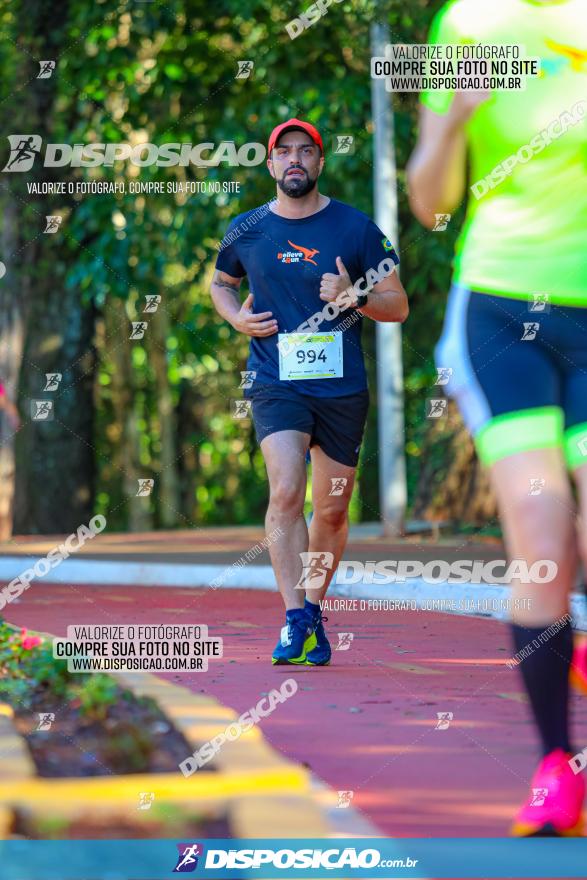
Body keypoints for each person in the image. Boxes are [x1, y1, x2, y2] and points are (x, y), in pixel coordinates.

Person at [407, 0, 587, 836]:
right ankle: (555, 767)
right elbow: (429, 202)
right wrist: (451, 124)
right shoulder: (470, 23)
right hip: (504, 311)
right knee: (543, 537)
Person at [211, 118, 408, 666]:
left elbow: (398, 304)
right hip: (276, 382)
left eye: (306, 151)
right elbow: (220, 283)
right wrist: (234, 319)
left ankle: (315, 610)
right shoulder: (245, 229)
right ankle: (295, 617)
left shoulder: (356, 228)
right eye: (284, 152)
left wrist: (353, 297)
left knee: (333, 511)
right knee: (285, 491)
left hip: (343, 388)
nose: (295, 160)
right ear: (270, 164)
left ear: (320, 163)